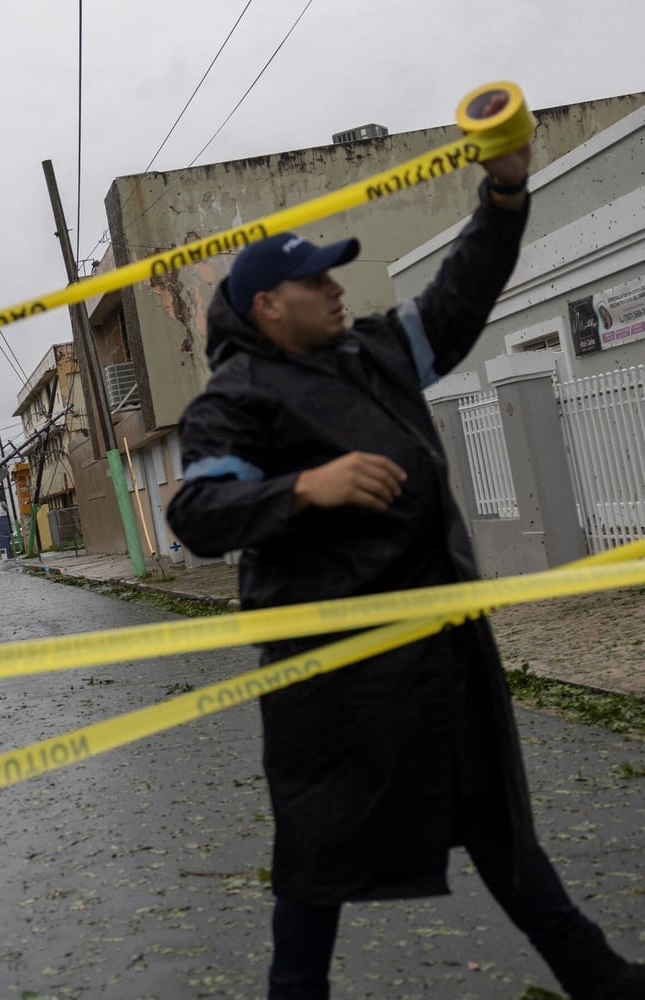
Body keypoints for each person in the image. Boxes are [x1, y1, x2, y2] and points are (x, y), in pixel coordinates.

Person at [165, 96, 645, 1000]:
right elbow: (198, 511)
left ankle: (601, 977)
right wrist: (307, 487)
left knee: (502, 832)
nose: (341, 289)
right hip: (341, 677)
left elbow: (461, 295)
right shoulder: (235, 399)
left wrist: (503, 194)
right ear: (268, 307)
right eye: (320, 283)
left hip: (444, 651)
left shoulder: (375, 351)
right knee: (315, 865)